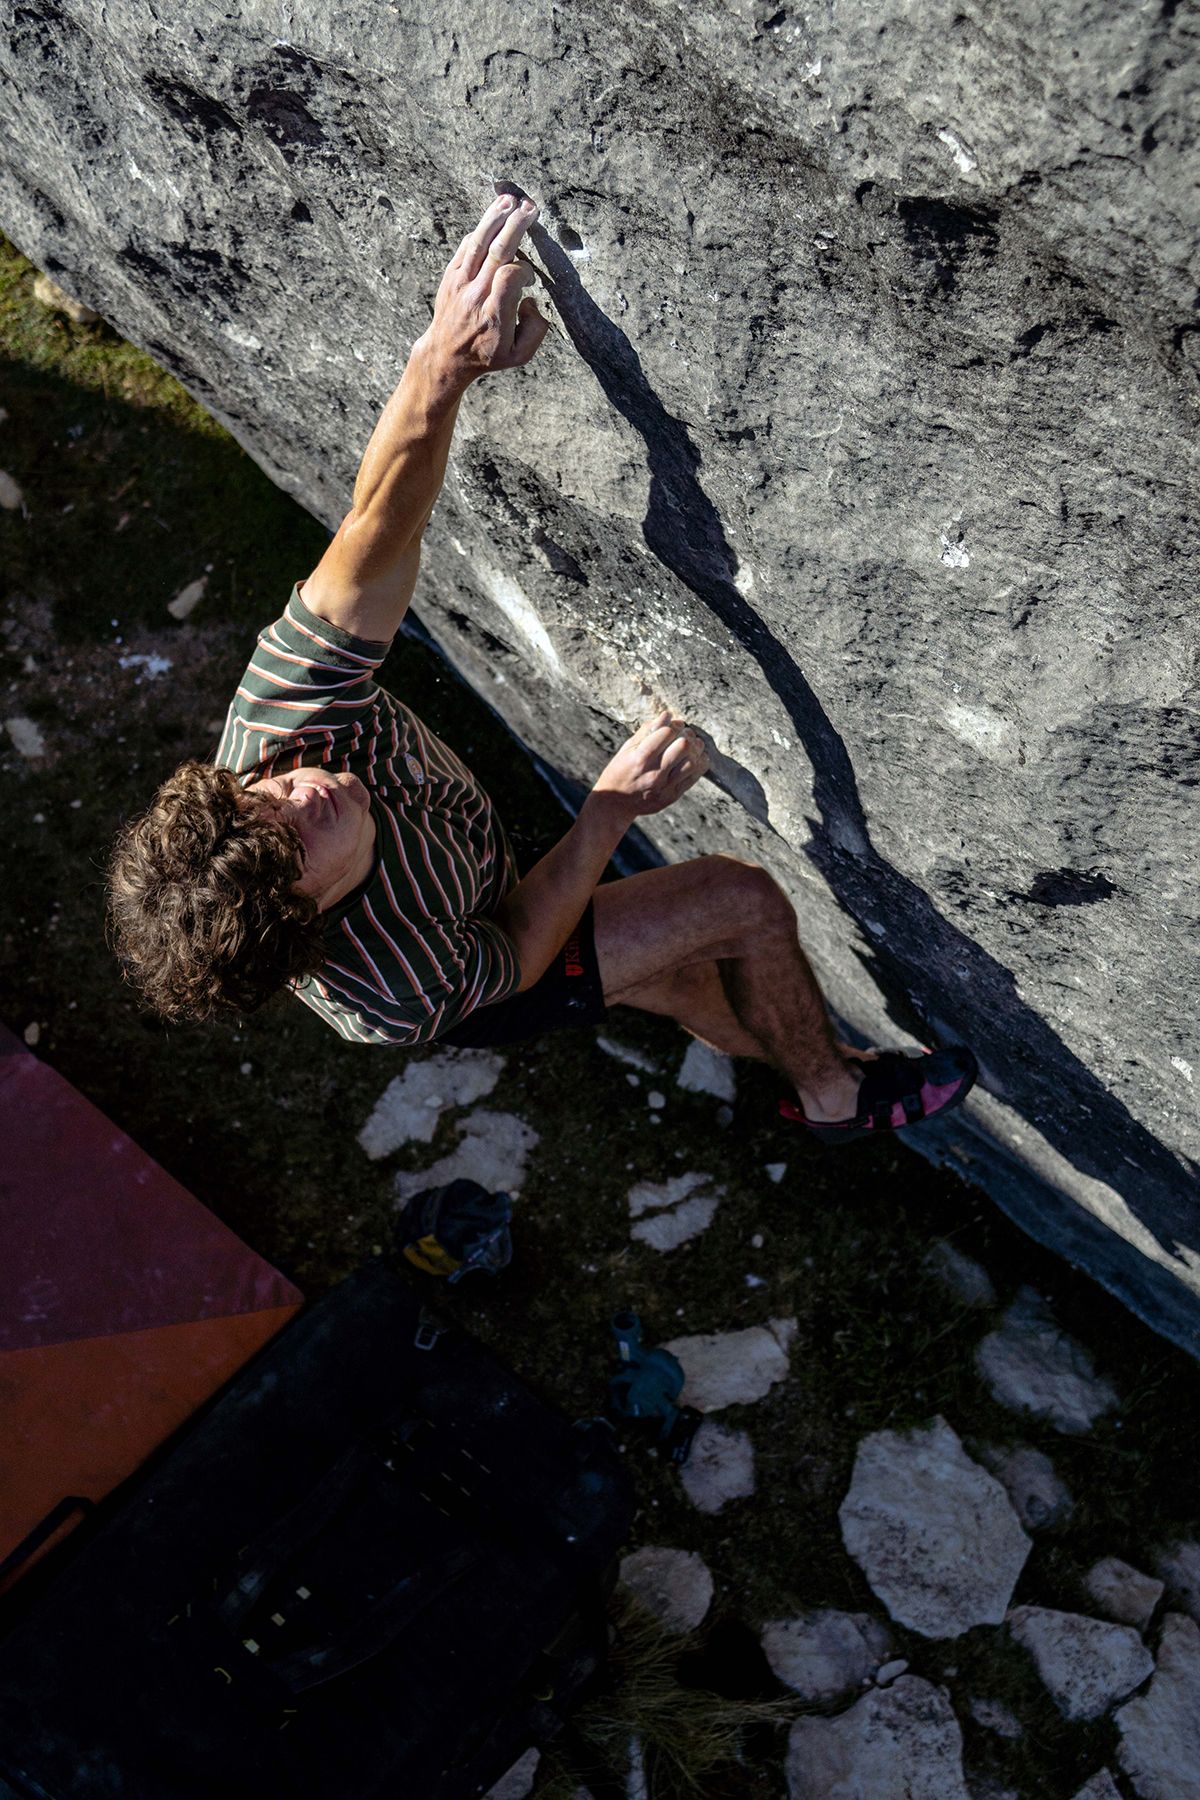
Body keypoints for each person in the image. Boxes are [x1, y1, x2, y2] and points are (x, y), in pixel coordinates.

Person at [108, 195, 976, 1143]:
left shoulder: (276, 730)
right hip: (485, 954)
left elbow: (375, 536)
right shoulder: (391, 986)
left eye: (258, 803)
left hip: (466, 854)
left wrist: (441, 363)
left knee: (682, 971)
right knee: (738, 903)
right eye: (290, 847)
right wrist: (606, 811)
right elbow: (521, 947)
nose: (296, 797)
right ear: (308, 917)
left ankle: (780, 1058)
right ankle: (832, 1095)